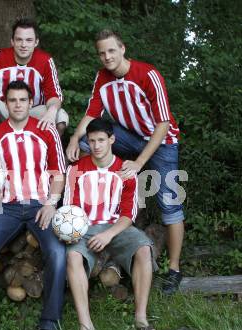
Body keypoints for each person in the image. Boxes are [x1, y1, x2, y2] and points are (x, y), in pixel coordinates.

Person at [66, 29, 184, 294]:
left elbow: (163, 123)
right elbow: (92, 114)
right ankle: (98, 200)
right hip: (129, 136)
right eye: (101, 52)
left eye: (111, 50)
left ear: (122, 49)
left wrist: (139, 163)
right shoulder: (102, 78)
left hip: (161, 139)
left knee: (170, 202)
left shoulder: (147, 75)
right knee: (88, 141)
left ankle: (174, 269)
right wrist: (74, 139)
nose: (107, 57)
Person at [0, 80, 66, 330]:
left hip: (39, 206)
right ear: (6, 103)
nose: (18, 105)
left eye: (23, 100)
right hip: (6, 208)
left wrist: (51, 203)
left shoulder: (46, 131)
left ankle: (49, 324)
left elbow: (59, 173)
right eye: (13, 100)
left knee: (58, 254)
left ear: (30, 102)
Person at [65, 118, 159, 330]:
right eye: (92, 141)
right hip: (84, 227)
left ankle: (141, 319)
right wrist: (77, 231)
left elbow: (129, 214)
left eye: (101, 140)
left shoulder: (125, 170)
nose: (96, 146)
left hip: (116, 227)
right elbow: (70, 210)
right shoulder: (76, 170)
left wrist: (108, 234)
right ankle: (85, 325)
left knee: (144, 248)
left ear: (112, 140)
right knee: (72, 256)